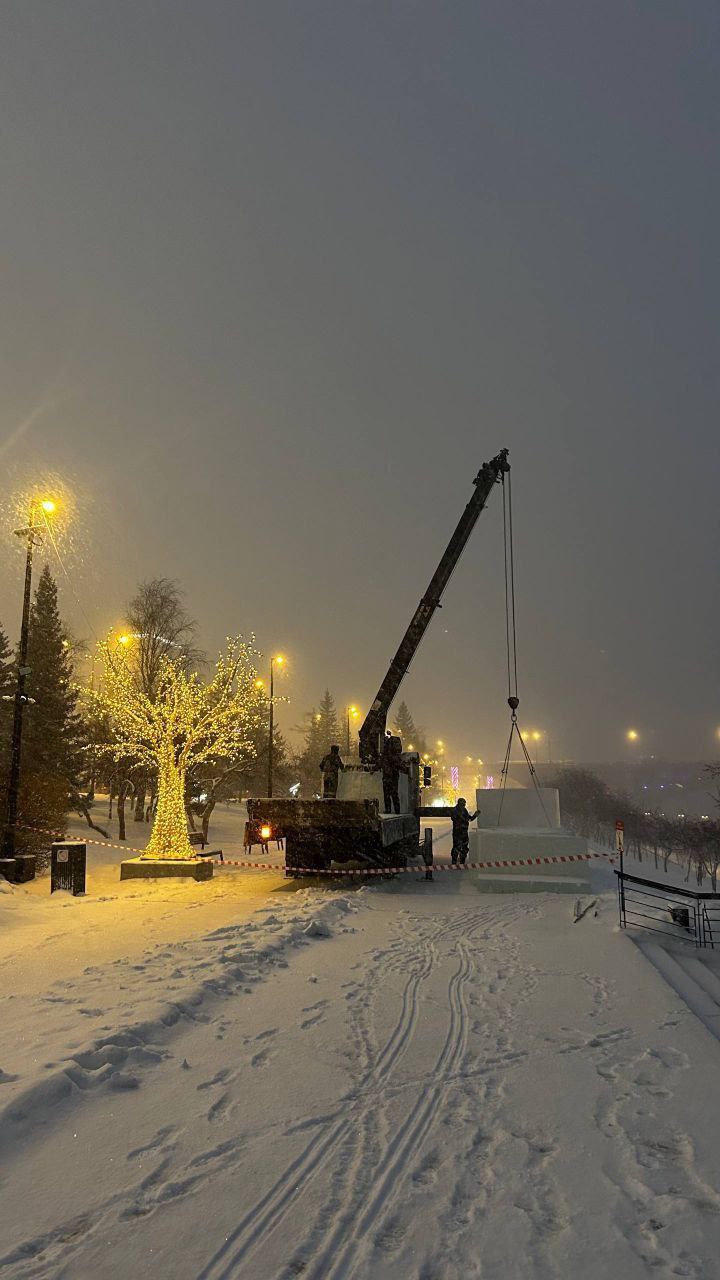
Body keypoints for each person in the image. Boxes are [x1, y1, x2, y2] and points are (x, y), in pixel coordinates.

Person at [381, 734, 407, 814]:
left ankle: (388, 809)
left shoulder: (385, 756)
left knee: (387, 794)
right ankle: (396, 810)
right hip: (393, 777)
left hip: (387, 777)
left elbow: (381, 764)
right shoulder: (395, 757)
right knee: (394, 794)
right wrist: (405, 769)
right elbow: (400, 766)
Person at [451, 797, 479, 865]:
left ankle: (462, 862)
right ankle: (454, 862)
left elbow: (469, 819)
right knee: (456, 848)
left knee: (464, 848)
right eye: (463, 804)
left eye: (464, 804)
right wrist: (462, 822)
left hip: (464, 832)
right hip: (457, 832)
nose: (464, 805)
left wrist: (475, 815)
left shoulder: (464, 810)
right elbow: (454, 819)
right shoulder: (455, 810)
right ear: (459, 804)